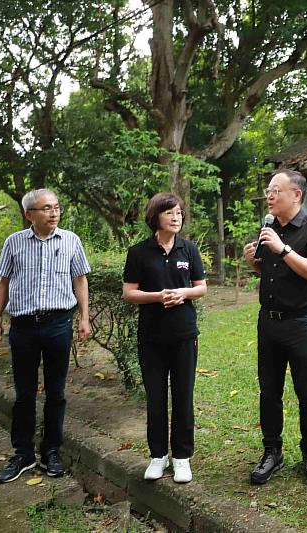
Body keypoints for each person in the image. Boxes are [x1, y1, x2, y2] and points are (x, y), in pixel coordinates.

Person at [0, 189, 91, 483]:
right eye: (46, 208)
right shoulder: (14, 243)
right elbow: (3, 284)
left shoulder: (71, 240)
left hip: (59, 324)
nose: (54, 213)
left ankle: (51, 451)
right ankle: (22, 454)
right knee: (24, 394)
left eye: (56, 207)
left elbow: (79, 280)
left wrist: (84, 318)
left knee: (56, 393)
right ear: (29, 214)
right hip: (23, 327)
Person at [242, 169, 307, 487]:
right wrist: (254, 260)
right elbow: (266, 270)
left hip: (301, 322)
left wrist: (283, 248)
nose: (269, 195)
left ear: (296, 194)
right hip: (269, 322)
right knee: (269, 391)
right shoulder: (268, 228)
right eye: (268, 190)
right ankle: (272, 452)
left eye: (275, 190)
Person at [122, 192, 207, 484]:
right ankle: (157, 456)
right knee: (156, 398)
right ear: (156, 217)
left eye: (179, 213)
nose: (176, 217)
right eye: (170, 213)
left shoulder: (189, 250)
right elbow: (129, 292)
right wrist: (158, 297)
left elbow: (201, 287)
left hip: (184, 333)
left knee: (183, 396)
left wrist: (182, 293)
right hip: (152, 336)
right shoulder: (139, 252)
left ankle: (181, 457)